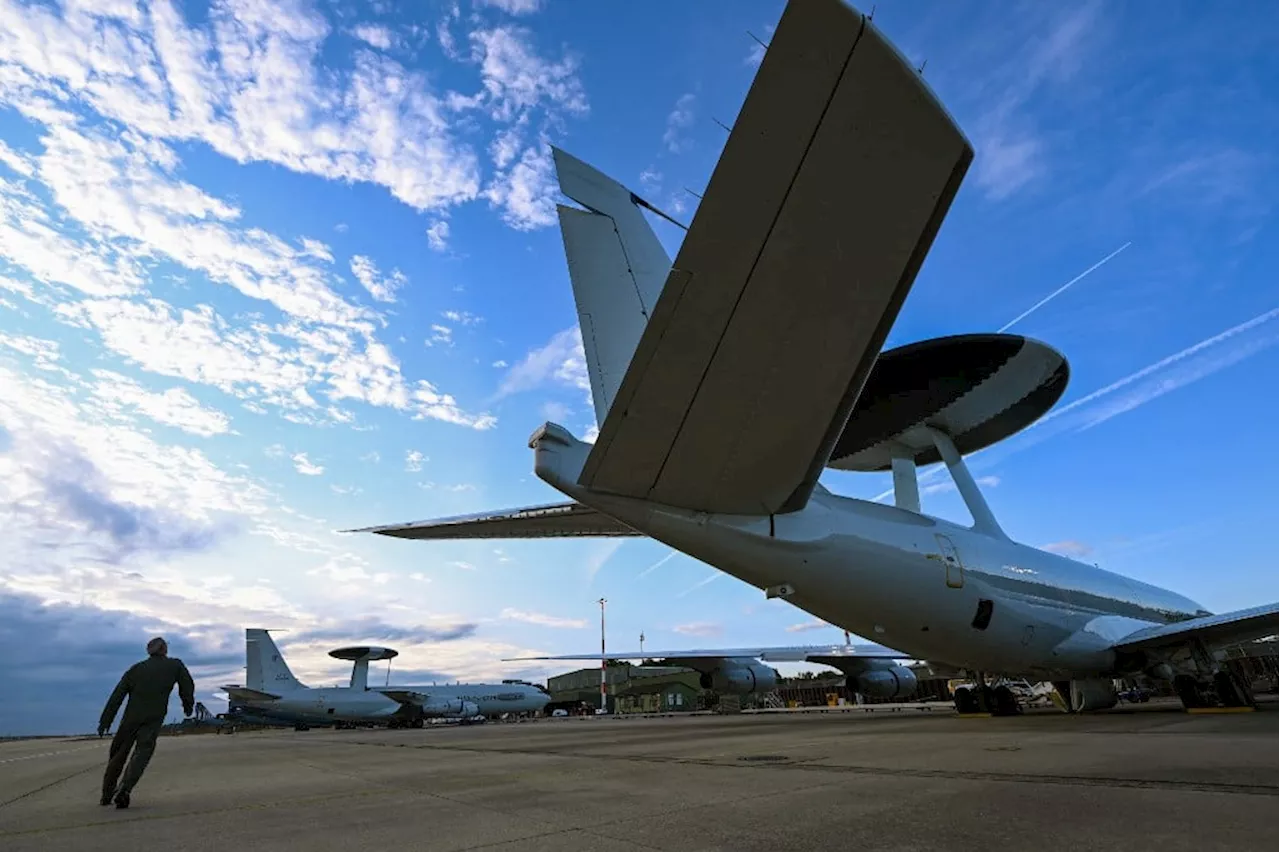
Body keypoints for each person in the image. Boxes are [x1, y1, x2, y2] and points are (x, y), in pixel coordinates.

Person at [97, 636, 195, 809]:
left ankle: (107, 794)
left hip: (131, 718)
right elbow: (187, 685)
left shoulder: (136, 669)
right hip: (154, 717)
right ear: (164, 649)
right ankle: (124, 789)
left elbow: (117, 696)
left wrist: (105, 721)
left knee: (118, 754)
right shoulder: (175, 665)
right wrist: (188, 705)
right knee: (142, 753)